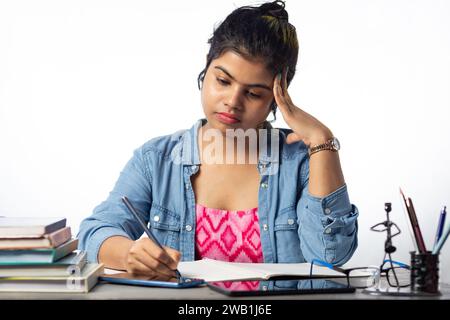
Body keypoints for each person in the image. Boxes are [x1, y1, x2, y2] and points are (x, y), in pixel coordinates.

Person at [78, 0, 359, 281]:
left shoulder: (300, 161)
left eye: (254, 94)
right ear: (206, 69)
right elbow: (94, 233)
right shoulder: (157, 159)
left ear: (277, 97)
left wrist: (323, 143)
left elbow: (329, 257)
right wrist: (129, 252)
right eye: (223, 81)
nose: (232, 102)